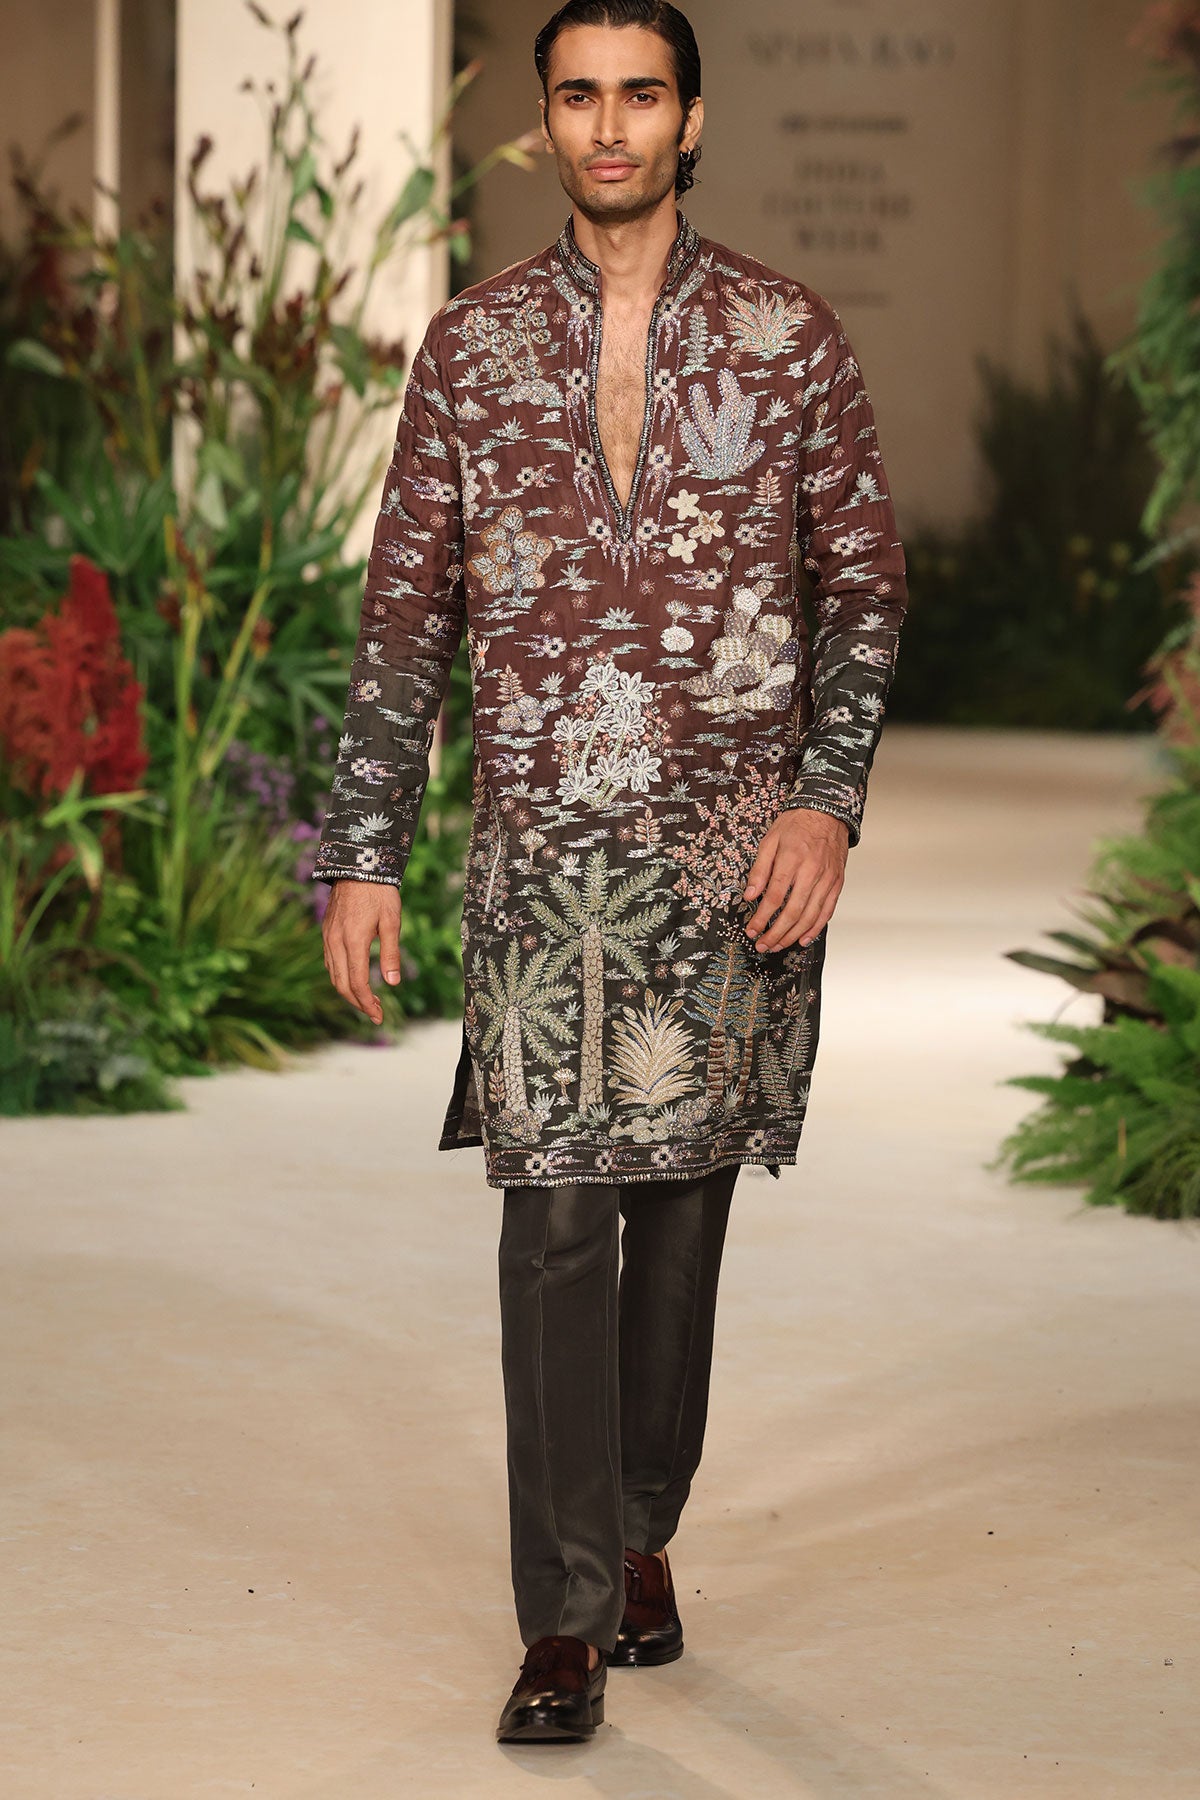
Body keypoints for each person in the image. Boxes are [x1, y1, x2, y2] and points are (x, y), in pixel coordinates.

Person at [313, 0, 908, 1746]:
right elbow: (406, 611)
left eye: (641, 94)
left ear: (691, 117)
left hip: (732, 859)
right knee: (556, 1223)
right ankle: (565, 1617)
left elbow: (866, 588)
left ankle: (642, 1526)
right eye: (579, 95)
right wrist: (365, 847)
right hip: (542, 862)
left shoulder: (788, 338)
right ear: (547, 121)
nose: (611, 126)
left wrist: (825, 804)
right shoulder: (473, 346)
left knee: (683, 1215)